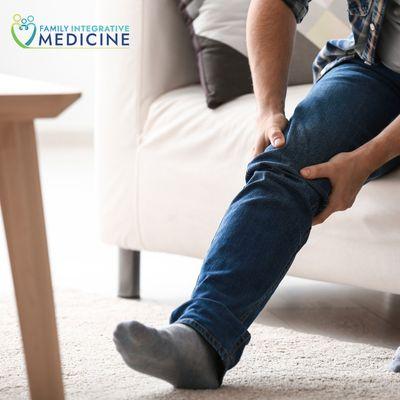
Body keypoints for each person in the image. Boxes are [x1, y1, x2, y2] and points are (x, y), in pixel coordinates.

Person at [113, 0, 400, 389]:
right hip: (373, 69)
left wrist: (367, 158)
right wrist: (268, 111)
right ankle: (202, 337)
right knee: (285, 161)